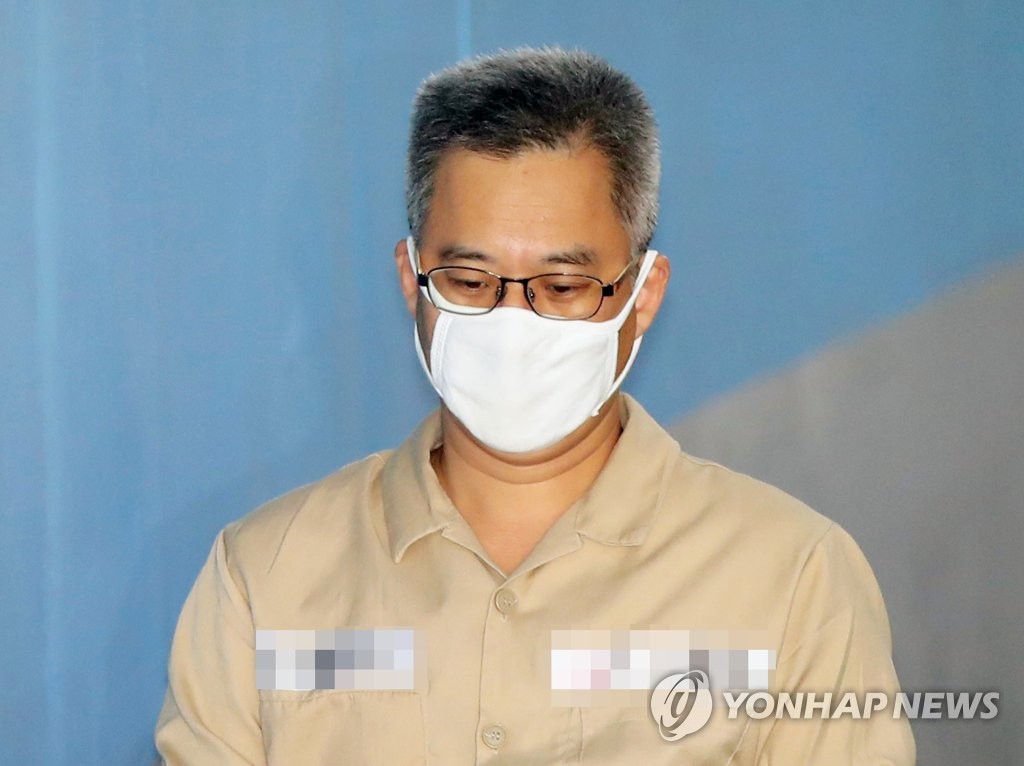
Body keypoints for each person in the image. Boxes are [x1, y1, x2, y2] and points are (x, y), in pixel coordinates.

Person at [155, 47, 915, 764]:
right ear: (411, 280)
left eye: (562, 287)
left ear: (643, 294)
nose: (512, 324)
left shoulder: (790, 577)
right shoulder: (266, 577)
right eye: (469, 281)